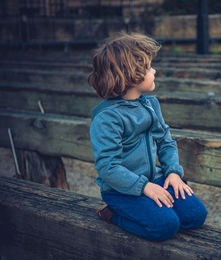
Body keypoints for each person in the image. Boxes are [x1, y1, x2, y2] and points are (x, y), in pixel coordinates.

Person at [88, 32, 208, 241]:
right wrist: (144, 187)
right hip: (121, 190)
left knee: (195, 216)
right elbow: (108, 167)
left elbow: (166, 142)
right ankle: (113, 214)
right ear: (131, 75)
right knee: (166, 226)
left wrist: (173, 173)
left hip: (156, 179)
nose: (154, 71)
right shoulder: (107, 117)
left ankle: (154, 206)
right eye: (149, 68)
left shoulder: (151, 104)